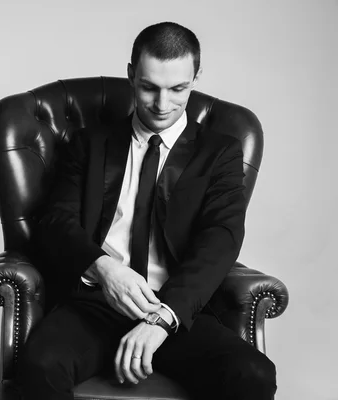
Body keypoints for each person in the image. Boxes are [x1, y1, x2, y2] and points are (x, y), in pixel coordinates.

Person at [17, 22, 277, 400]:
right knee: (39, 367)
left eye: (178, 89)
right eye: (148, 87)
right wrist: (105, 270)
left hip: (174, 309)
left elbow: (220, 239)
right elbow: (57, 223)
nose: (161, 104)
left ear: (195, 77)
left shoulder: (220, 152)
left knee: (252, 373)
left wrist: (162, 319)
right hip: (94, 304)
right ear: (130, 75)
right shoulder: (89, 144)